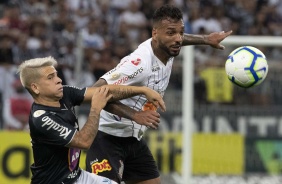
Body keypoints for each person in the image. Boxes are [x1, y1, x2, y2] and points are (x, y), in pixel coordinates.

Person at [85, 4, 232, 184]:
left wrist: (206, 39)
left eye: (181, 32)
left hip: (132, 139)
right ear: (155, 33)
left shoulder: (167, 48)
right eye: (171, 33)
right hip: (106, 138)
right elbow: (95, 93)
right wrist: (134, 114)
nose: (178, 39)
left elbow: (177, 38)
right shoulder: (139, 63)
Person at [17, 56, 166, 184]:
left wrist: (143, 90)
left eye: (56, 75)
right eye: (50, 78)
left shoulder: (65, 94)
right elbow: (83, 142)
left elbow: (104, 92)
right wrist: (95, 109)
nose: (59, 80)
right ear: (35, 88)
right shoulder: (42, 118)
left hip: (77, 177)